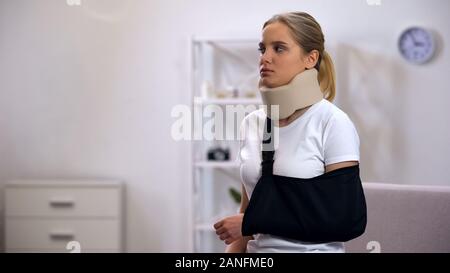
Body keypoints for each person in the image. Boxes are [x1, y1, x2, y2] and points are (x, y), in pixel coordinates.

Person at [213, 11, 361, 253]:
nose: (265, 58)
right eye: (263, 49)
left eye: (279, 48)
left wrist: (254, 221)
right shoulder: (252, 123)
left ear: (310, 58)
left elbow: (345, 219)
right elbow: (247, 217)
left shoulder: (333, 122)